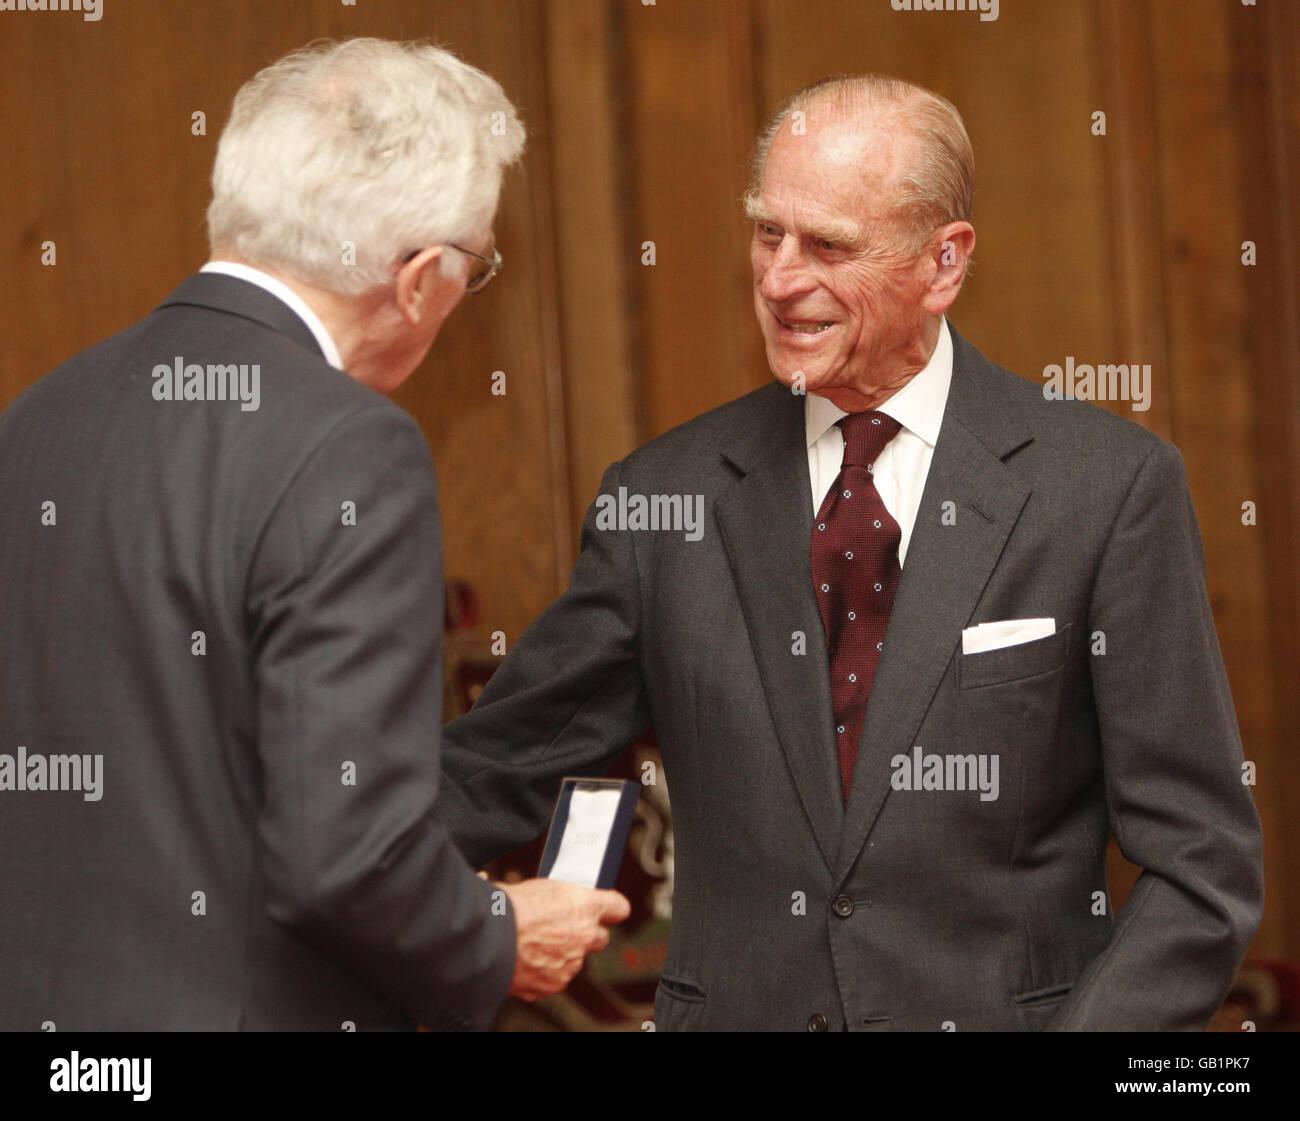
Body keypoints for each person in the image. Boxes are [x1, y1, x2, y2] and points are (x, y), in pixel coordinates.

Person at [438, 75, 1264, 1031]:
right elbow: (491, 771)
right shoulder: (662, 499)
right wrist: (356, 896)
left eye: (828, 245)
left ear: (944, 263)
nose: (780, 279)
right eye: (767, 233)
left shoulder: (1105, 489)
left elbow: (1202, 863)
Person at [0, 37, 627, 1032]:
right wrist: (497, 932)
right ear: (418, 279)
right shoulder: (349, 445)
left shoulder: (39, 415)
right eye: (474, 268)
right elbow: (345, 854)